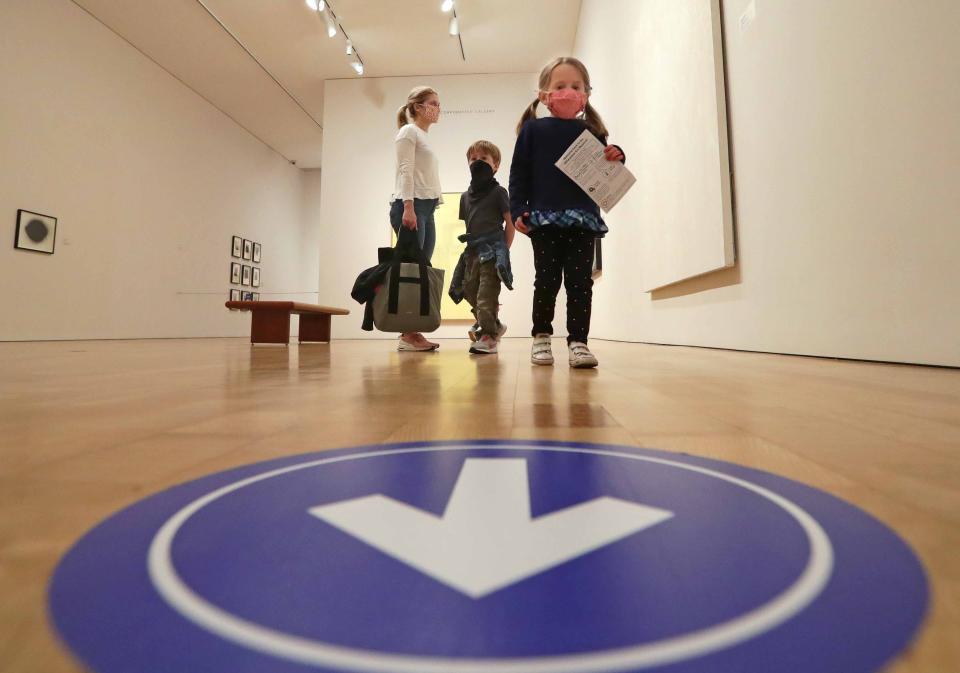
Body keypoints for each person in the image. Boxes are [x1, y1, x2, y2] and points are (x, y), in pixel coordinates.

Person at [509, 57, 625, 369]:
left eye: (575, 86)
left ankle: (579, 342)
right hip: (544, 219)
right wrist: (518, 208)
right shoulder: (533, 130)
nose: (568, 91)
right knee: (546, 280)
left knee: (580, 283)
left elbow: (606, 171)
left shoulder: (593, 130)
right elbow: (518, 173)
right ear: (544, 94)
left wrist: (617, 156)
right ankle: (541, 337)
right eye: (560, 86)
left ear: (586, 93)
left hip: (584, 219)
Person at [390, 86, 443, 352]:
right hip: (411, 206)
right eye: (433, 103)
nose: (438, 108)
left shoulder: (424, 136)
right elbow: (405, 170)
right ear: (419, 107)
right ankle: (407, 333)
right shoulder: (408, 131)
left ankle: (411, 331)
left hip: (427, 208)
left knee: (421, 270)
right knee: (411, 269)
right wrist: (408, 207)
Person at [451, 140, 516, 355]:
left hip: (492, 251)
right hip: (472, 251)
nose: (478, 162)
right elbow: (470, 224)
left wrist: (503, 251)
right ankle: (494, 325)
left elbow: (510, 222)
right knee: (469, 290)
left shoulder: (499, 192)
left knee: (486, 296)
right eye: (473, 159)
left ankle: (488, 336)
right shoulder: (464, 197)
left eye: (484, 159)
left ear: (496, 164)